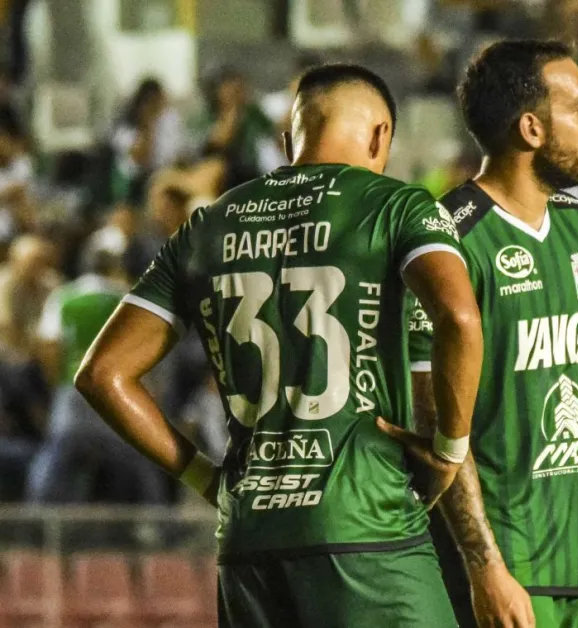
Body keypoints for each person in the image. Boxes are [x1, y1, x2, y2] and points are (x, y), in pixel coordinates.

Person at [74, 63, 484, 628]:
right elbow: (458, 316)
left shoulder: (208, 224)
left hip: (249, 541)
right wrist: (449, 451)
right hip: (367, 529)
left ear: (289, 141)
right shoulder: (398, 205)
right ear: (380, 136)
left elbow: (102, 374)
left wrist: (205, 478)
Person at [399, 40, 578, 628]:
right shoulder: (446, 239)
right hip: (503, 574)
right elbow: (435, 423)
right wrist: (485, 567)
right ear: (531, 128)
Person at [28, 234, 168, 504]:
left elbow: (49, 345)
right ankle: (155, 518)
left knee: (57, 455)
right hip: (114, 392)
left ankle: (38, 517)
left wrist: (58, 382)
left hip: (74, 387)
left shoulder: (65, 296)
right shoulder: (125, 298)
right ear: (114, 266)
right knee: (138, 460)